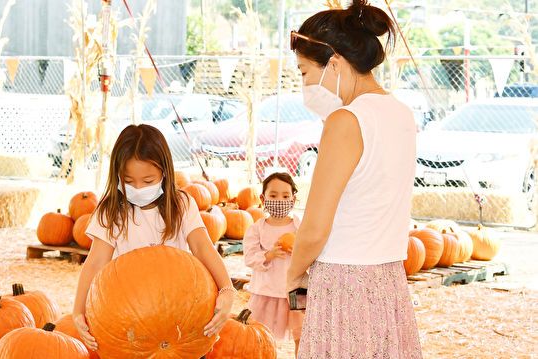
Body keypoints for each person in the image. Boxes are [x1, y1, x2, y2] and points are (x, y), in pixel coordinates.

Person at [286, 0, 423, 357]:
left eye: (303, 72)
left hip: (344, 286)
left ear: (333, 64)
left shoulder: (346, 121)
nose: (303, 84)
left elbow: (315, 228)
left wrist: (292, 277)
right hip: (389, 282)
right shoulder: (401, 113)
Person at [70, 124, 235, 354]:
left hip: (182, 316)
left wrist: (227, 290)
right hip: (130, 319)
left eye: (148, 181)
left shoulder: (181, 205)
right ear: (116, 175)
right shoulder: (110, 211)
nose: (138, 187)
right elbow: (96, 262)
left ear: (164, 173)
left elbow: (203, 248)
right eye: (128, 181)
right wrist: (78, 311)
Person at [243, 172, 304, 353]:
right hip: (267, 291)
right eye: (273, 195)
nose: (280, 200)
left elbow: (312, 249)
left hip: (295, 290)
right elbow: (250, 256)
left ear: (293, 199)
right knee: (261, 336)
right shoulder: (257, 229)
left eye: (285, 196)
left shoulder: (299, 226)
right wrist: (268, 255)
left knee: (301, 335)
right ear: (263, 198)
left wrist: (300, 252)